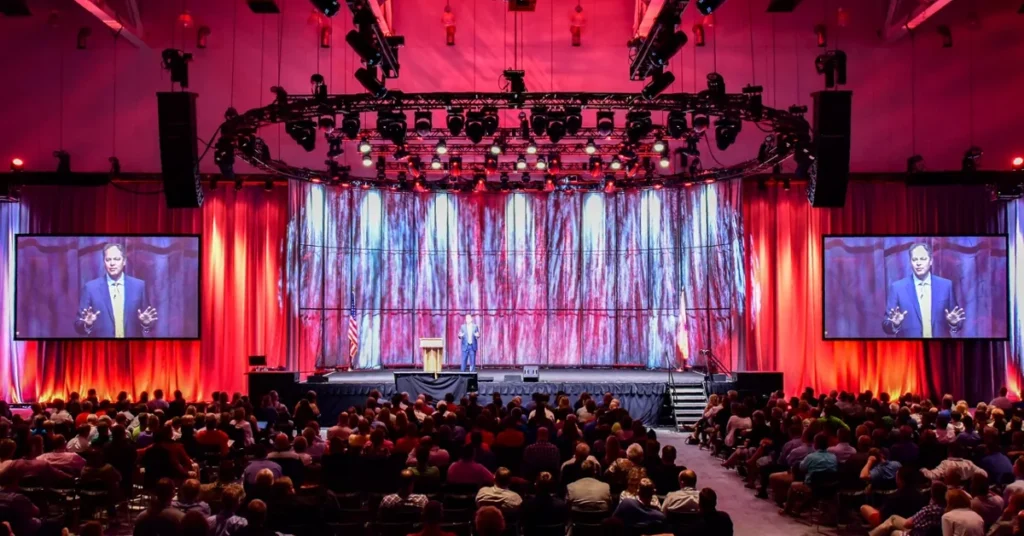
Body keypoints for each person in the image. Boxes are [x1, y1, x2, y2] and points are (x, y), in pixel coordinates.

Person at [74, 242, 158, 338]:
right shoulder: (90, 288)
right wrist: (87, 324)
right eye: (108, 259)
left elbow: (149, 322)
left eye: (116, 259)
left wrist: (146, 323)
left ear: (124, 261)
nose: (112, 263)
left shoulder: (139, 286)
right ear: (104, 262)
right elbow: (78, 325)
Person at [882, 242, 965, 338]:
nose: (918, 263)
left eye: (923, 259)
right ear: (910, 262)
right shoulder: (897, 288)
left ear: (931, 261)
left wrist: (954, 323)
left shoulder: (946, 286)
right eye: (915, 259)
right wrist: (894, 324)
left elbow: (958, 320)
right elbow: (886, 325)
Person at [869, 481, 946, 536]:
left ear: (932, 495)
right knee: (893, 519)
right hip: (922, 532)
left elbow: (907, 524)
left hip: (915, 533)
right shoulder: (946, 510)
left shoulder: (928, 510)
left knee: (893, 531)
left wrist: (912, 519)